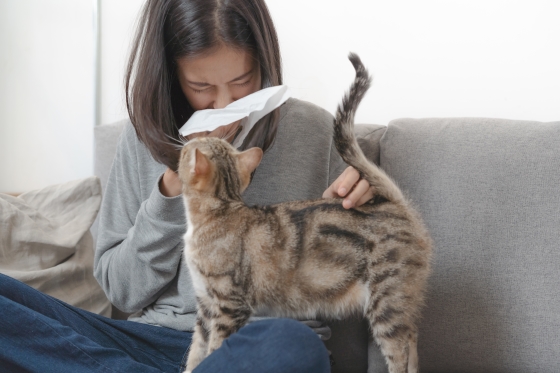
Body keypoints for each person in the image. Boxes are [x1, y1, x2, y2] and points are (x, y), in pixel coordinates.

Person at [0, 0, 374, 371]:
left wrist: (354, 219)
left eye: (242, 81)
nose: (226, 103)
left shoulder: (317, 130)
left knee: (292, 346)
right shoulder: (140, 138)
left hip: (254, 343)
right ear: (172, 75)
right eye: (201, 86)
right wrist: (173, 186)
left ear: (264, 60)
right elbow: (122, 291)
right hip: (148, 341)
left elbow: (355, 283)